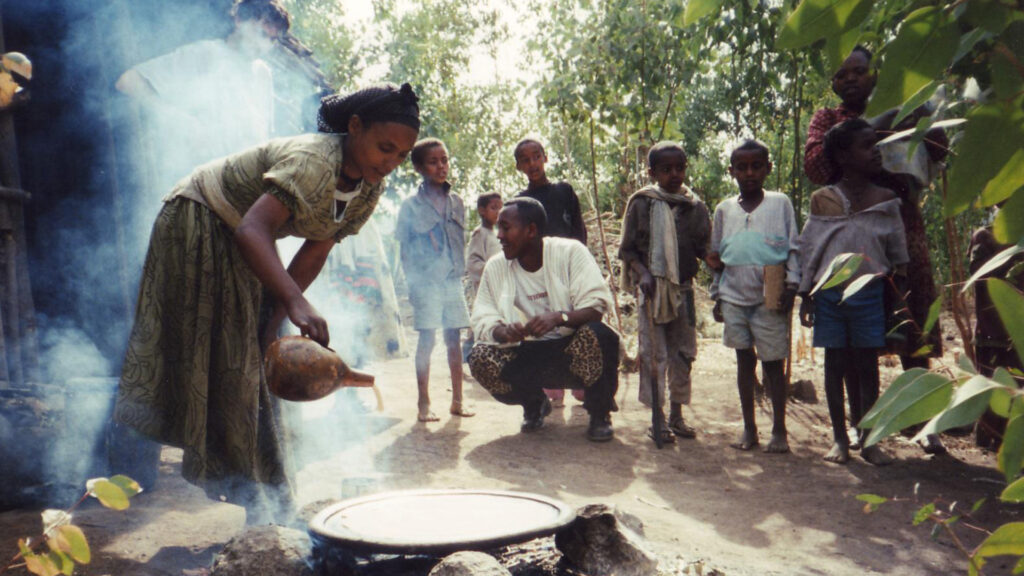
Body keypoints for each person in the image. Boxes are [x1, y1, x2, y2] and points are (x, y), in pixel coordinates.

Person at [113, 83, 420, 523]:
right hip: (198, 218)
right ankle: (250, 497)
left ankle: (263, 497)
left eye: (399, 157)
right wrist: (293, 300)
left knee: (253, 360)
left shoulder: (368, 191)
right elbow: (251, 230)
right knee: (227, 362)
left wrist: (275, 318)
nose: (389, 164)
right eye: (384, 148)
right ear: (354, 127)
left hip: (240, 237)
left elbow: (315, 251)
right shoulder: (314, 161)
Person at [804, 45, 947, 455]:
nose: (849, 79)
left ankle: (921, 420)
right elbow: (816, 164)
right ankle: (859, 424)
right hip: (851, 233)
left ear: (875, 74)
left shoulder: (909, 102)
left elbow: (939, 149)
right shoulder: (828, 120)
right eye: (840, 74)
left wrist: (921, 115)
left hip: (903, 225)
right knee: (854, 335)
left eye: (858, 71)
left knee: (911, 317)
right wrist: (879, 124)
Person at [798, 118, 907, 466]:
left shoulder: (887, 200)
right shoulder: (823, 200)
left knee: (867, 365)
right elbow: (811, 248)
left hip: (870, 294)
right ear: (843, 156)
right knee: (835, 363)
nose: (875, 151)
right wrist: (805, 293)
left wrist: (898, 302)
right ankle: (840, 438)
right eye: (866, 145)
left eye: (876, 143)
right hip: (829, 294)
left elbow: (898, 256)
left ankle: (868, 437)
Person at [468, 198, 618, 442]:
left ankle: (600, 413)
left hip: (570, 349)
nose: (500, 236)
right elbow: (482, 315)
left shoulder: (570, 252)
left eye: (506, 227)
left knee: (600, 335)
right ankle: (534, 403)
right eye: (499, 228)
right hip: (527, 352)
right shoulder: (496, 266)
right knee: (480, 357)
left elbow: (596, 306)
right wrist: (501, 331)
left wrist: (560, 318)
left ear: (531, 230)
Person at [116, 0, 291, 188]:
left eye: (272, 40)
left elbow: (262, 137)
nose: (264, 45)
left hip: (239, 193)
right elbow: (128, 82)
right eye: (261, 33)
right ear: (240, 19)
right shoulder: (207, 53)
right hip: (195, 185)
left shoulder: (263, 74)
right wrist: (179, 119)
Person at [707, 140, 799, 453]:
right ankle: (749, 429)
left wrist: (793, 284)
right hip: (733, 294)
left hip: (770, 291)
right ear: (731, 171)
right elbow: (716, 256)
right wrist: (716, 293)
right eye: (742, 167)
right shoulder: (724, 209)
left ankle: (779, 430)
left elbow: (793, 247)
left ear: (767, 168)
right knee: (744, 362)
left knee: (773, 363)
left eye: (756, 166)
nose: (749, 173)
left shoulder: (780, 203)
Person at [618, 141, 710, 444]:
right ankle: (656, 419)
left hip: (683, 291)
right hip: (652, 290)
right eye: (666, 169)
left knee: (683, 354)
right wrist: (643, 273)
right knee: (653, 354)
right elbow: (628, 249)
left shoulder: (695, 208)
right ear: (652, 172)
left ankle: (676, 415)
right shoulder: (642, 203)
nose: (674, 174)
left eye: (680, 168)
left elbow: (705, 250)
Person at [396, 138, 475, 422]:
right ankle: (424, 403)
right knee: (427, 339)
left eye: (444, 160)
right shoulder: (410, 207)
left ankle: (458, 401)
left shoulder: (457, 202)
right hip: (425, 283)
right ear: (419, 168)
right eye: (433, 162)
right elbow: (404, 251)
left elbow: (459, 244)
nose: (441, 167)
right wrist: (412, 287)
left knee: (453, 338)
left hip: (452, 281)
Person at [514, 138, 588, 405]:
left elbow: (579, 231)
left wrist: (581, 267)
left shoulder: (564, 192)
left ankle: (581, 384)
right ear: (518, 166)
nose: (532, 163)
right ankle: (552, 387)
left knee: (575, 324)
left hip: (570, 272)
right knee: (545, 329)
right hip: (539, 278)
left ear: (545, 158)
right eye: (526, 159)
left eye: (536, 156)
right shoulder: (520, 202)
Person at [462, 193, 503, 360]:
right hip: (485, 285)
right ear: (482, 211)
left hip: (500, 285)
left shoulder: (498, 233)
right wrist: (489, 272)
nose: (498, 212)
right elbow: (472, 262)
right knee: (481, 316)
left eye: (501, 208)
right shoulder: (480, 233)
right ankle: (468, 351)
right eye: (494, 208)